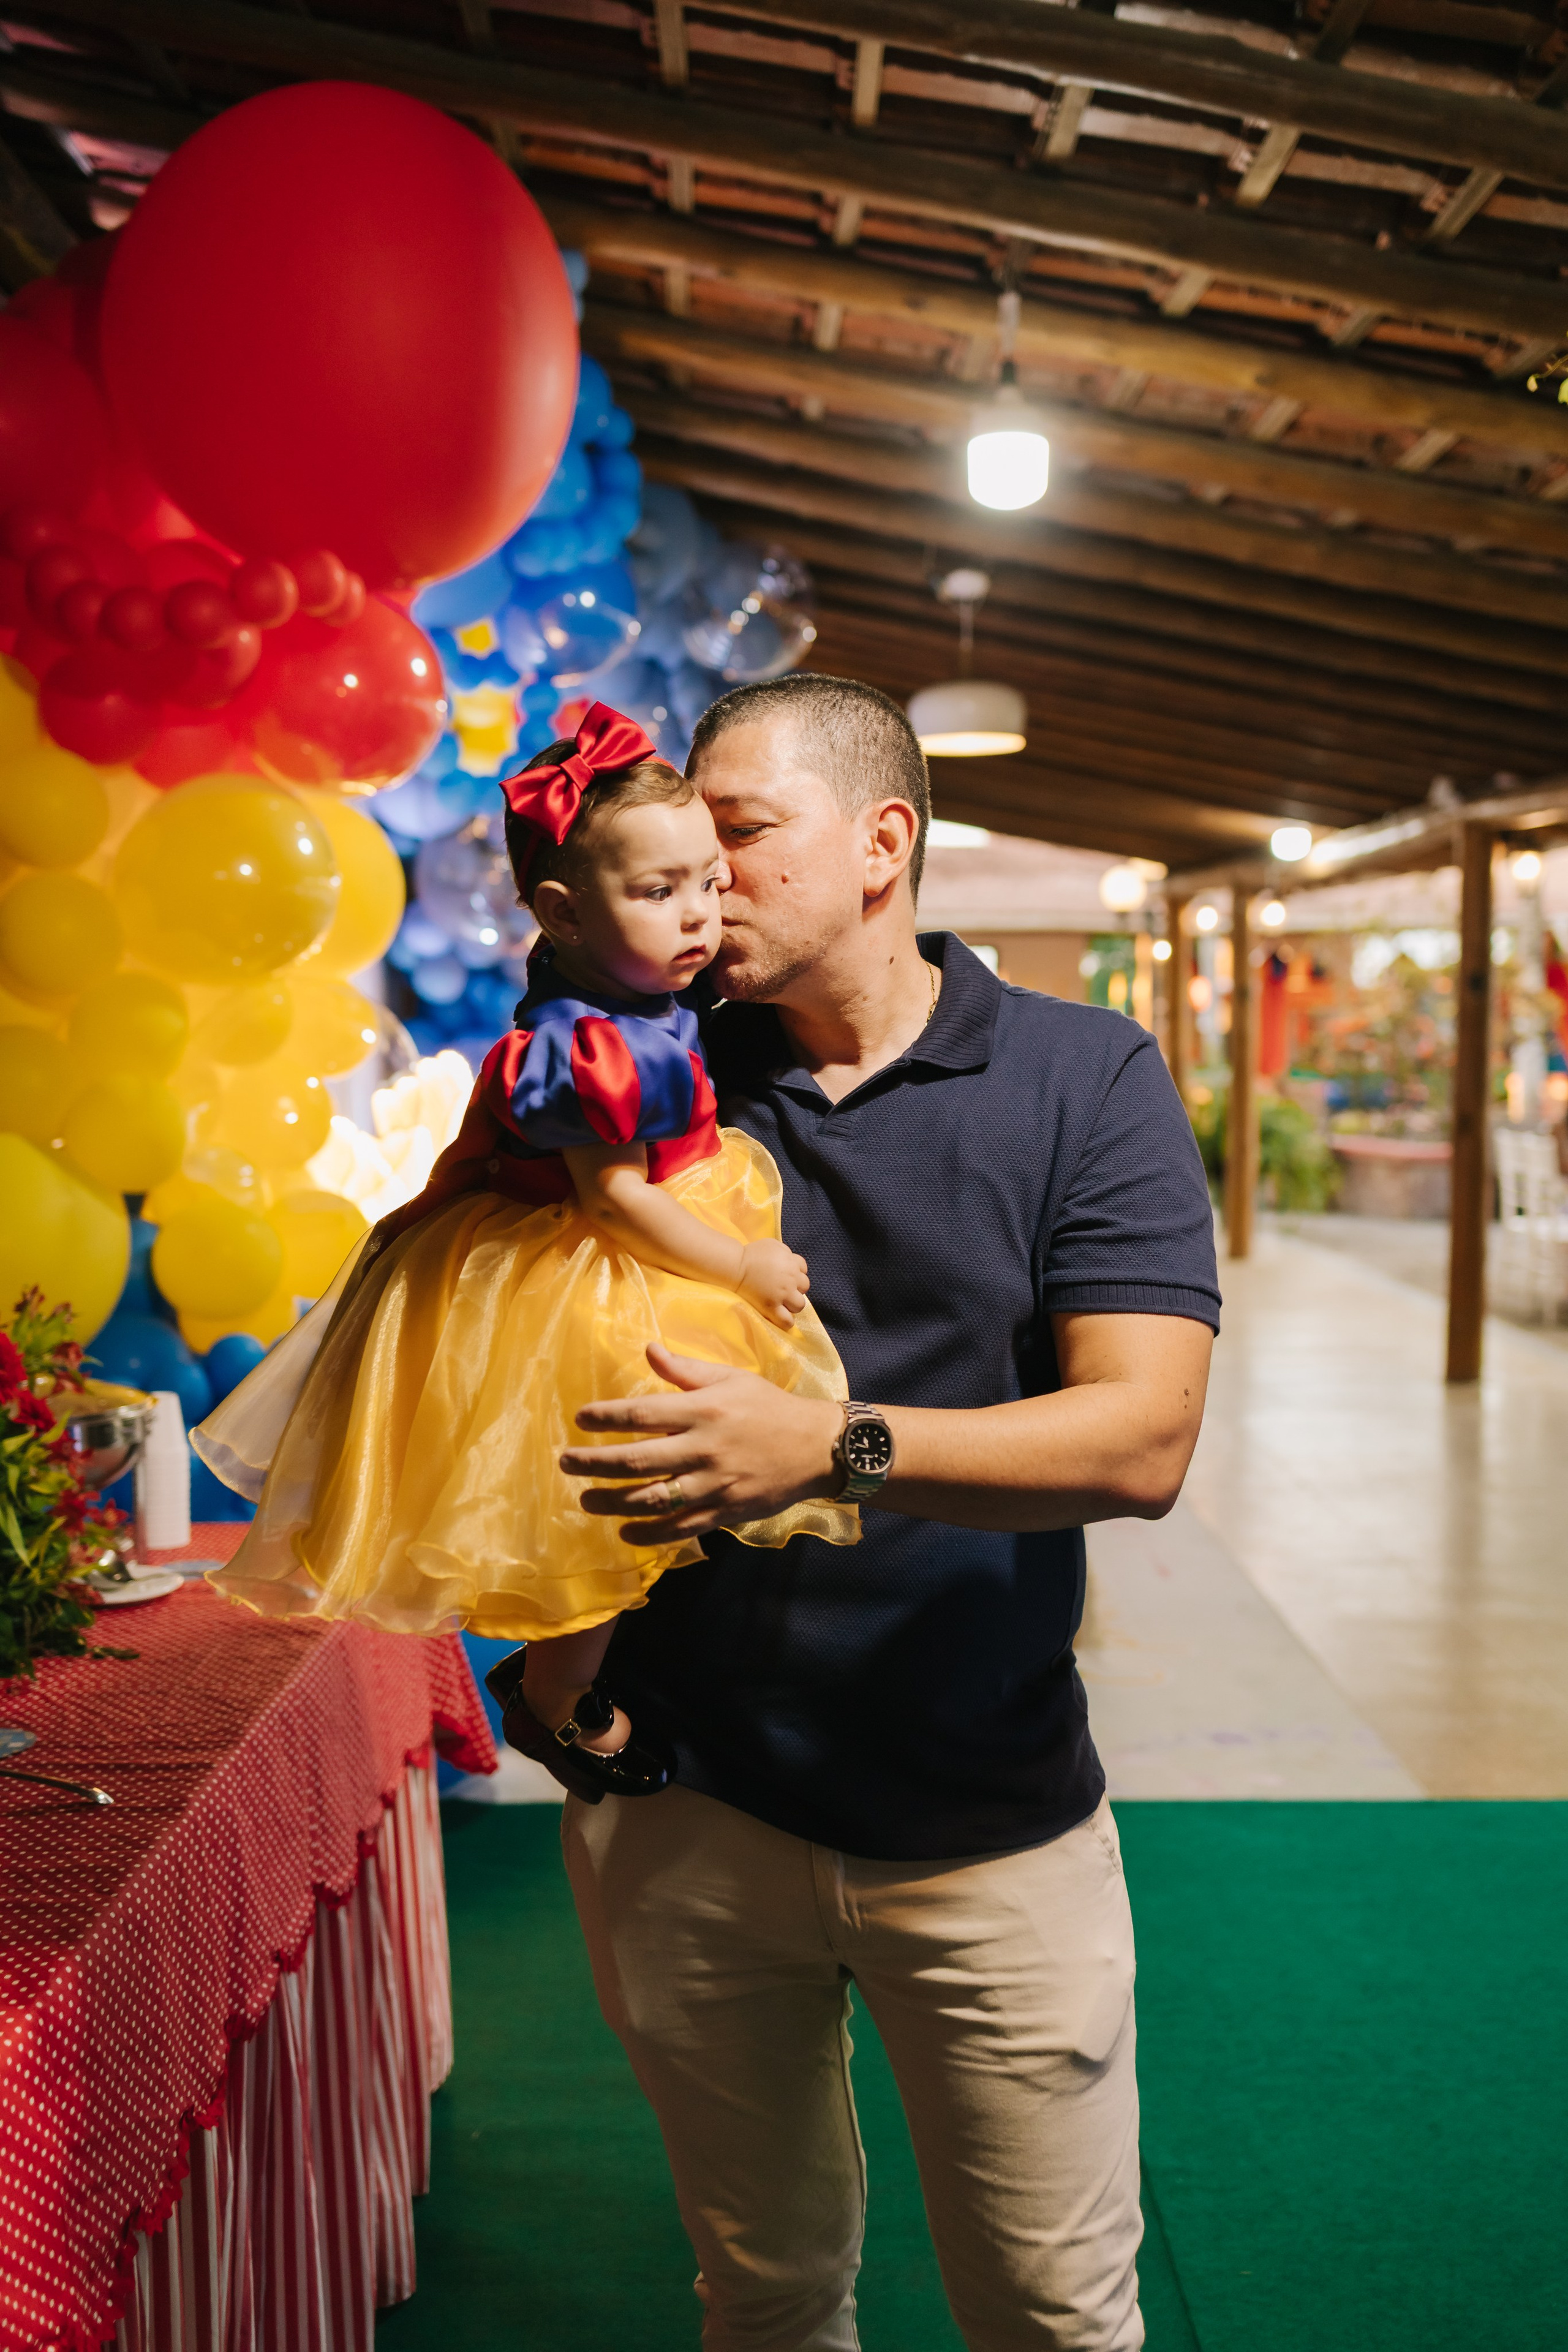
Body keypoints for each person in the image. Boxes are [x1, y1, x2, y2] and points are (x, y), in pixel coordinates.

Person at [552, 674, 1221, 2351]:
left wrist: (829, 1446)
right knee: (765, 2299)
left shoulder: (1086, 1076)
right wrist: (540, 1657)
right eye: (683, 843)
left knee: (1054, 2314)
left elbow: (1141, 1439)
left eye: (744, 835)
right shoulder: (642, 1074)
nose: (702, 878)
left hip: (987, 1822)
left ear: (883, 843)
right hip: (686, 1809)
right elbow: (474, 1352)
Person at [194, 703, 857, 1796]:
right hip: (583, 1269)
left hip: (583, 1233)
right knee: (610, 1504)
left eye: (709, 882)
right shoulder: (595, 1047)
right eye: (659, 892)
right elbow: (617, 1203)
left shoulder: (617, 990)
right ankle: (557, 1695)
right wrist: (739, 1266)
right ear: (560, 912)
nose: (700, 915)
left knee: (646, 1491)